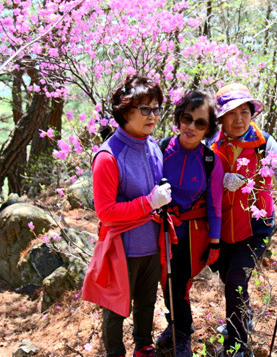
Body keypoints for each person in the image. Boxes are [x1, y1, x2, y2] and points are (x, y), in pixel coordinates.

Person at [81, 75, 172, 357]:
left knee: (147, 301)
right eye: (145, 109)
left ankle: (143, 346)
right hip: (123, 247)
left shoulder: (152, 145)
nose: (152, 115)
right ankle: (115, 352)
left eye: (156, 108)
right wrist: (149, 202)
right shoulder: (108, 156)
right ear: (124, 112)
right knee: (115, 307)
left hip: (152, 243)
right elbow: (105, 212)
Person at [208, 83, 277, 356]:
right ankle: (243, 318)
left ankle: (236, 346)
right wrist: (221, 180)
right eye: (231, 113)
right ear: (221, 118)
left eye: (244, 112)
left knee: (236, 280)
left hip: (256, 227)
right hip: (221, 227)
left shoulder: (264, 142)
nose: (239, 119)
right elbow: (199, 180)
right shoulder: (211, 144)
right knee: (230, 279)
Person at [155, 90, 224, 357]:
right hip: (155, 228)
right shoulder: (160, 150)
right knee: (163, 282)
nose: (191, 127)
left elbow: (215, 205)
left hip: (187, 234)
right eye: (187, 118)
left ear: (208, 129)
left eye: (200, 123)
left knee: (179, 283)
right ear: (179, 118)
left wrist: (214, 244)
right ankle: (171, 326)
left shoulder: (210, 161)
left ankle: (183, 333)